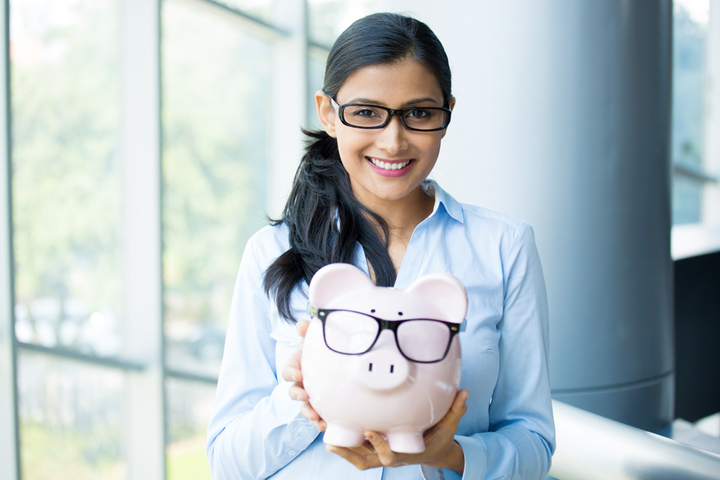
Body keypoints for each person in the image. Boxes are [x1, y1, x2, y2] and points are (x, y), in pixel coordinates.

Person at [206, 12, 554, 480]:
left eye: (419, 113)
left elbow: (533, 442)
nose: (393, 142)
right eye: (367, 112)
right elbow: (229, 464)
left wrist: (445, 454)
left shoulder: (504, 248)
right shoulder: (270, 253)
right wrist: (304, 391)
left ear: (446, 114)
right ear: (329, 114)